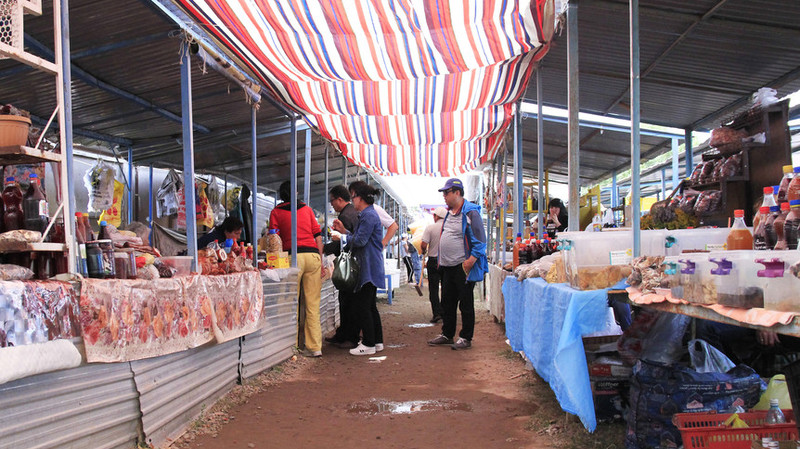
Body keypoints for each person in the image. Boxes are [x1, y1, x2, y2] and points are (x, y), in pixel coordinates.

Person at [427, 178, 488, 350]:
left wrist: (470, 261)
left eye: (447, 193)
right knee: (447, 302)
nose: (444, 196)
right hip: (447, 266)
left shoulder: (470, 213)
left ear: (457, 193)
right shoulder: (449, 213)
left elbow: (481, 241)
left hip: (462, 266)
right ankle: (447, 334)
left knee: (466, 303)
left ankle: (466, 337)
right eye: (444, 193)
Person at [269, 181, 324, 358]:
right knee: (312, 304)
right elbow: (318, 238)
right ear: (296, 193)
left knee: (291, 304)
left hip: (293, 258)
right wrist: (320, 261)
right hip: (313, 256)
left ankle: (291, 347)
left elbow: (273, 240)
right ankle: (315, 347)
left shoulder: (276, 212)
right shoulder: (307, 210)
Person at [342, 181, 385, 356]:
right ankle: (377, 341)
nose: (352, 201)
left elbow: (360, 241)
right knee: (370, 306)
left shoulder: (368, 216)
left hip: (368, 266)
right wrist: (346, 233)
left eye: (353, 196)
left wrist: (343, 238)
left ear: (360, 197)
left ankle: (368, 343)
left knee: (363, 306)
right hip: (371, 264)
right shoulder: (368, 214)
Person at [323, 185, 360, 349]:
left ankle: (348, 336)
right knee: (347, 300)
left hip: (349, 265)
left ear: (339, 199)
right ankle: (344, 334)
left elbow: (342, 244)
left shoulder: (345, 216)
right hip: (354, 264)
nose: (332, 205)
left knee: (347, 301)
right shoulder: (352, 212)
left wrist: (323, 249)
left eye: (332, 201)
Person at [421, 207, 447, 323]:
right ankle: (446, 312)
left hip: (433, 260)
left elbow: (423, 244)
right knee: (447, 288)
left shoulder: (430, 228)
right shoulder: (449, 228)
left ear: (436, 216)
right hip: (447, 261)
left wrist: (423, 251)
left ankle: (437, 313)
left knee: (434, 288)